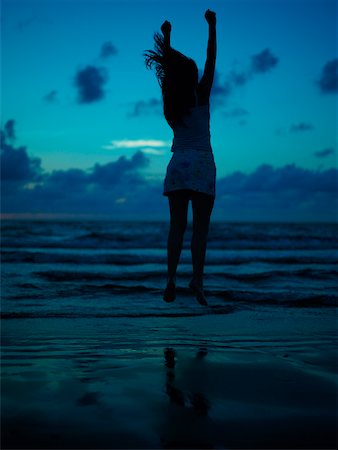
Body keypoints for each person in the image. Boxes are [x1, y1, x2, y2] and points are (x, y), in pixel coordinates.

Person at [144, 9, 217, 306]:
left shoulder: (170, 104)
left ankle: (170, 277)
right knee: (199, 229)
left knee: (176, 227)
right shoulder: (202, 96)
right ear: (194, 76)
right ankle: (197, 280)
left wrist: (167, 37)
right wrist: (212, 26)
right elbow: (211, 59)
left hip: (177, 166)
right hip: (201, 164)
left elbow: (167, 75)